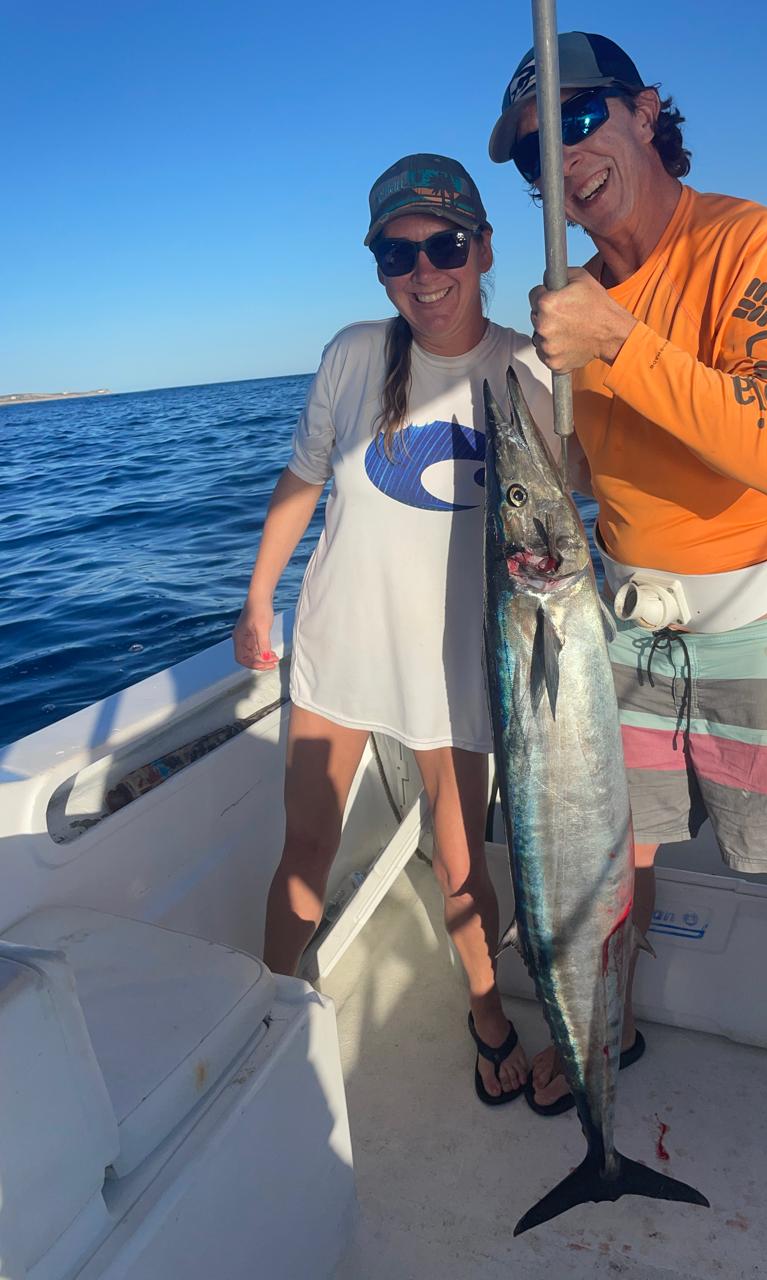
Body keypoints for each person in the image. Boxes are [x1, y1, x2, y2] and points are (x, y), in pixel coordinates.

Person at [488, 32, 767, 1112]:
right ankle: (607, 1028)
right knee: (617, 855)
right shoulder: (570, 308)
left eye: (579, 121)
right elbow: (586, 468)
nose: (562, 161)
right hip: (626, 625)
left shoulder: (752, 243)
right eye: (536, 155)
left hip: (759, 619)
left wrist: (617, 341)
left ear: (644, 112)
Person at [233, 153, 554, 1105]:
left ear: (485, 246)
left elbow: (601, 484)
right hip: (338, 654)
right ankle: (272, 1016)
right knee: (304, 856)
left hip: (454, 671)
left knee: (466, 873)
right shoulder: (352, 354)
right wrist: (258, 596)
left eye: (445, 244)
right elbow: (301, 480)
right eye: (396, 252)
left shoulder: (526, 367)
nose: (424, 271)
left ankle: (488, 1014)